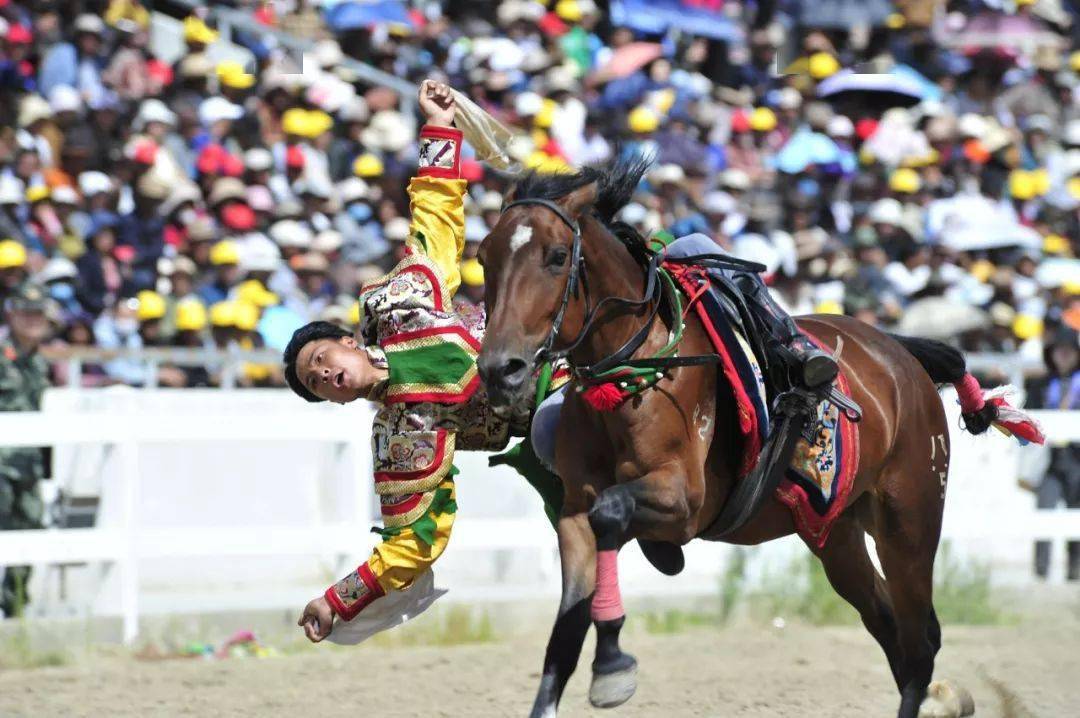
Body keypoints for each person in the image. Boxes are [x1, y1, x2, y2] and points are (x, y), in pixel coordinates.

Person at [285, 81, 550, 641]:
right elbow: (412, 544)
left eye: (321, 358)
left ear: (348, 341)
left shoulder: (397, 300)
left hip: (564, 327)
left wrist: (438, 126)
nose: (325, 374)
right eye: (318, 383)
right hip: (556, 417)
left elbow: (436, 214)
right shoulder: (399, 441)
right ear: (333, 399)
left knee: (672, 260)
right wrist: (338, 601)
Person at [0, 283, 51, 617]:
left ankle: (15, 609)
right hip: (1, 463)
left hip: (29, 464)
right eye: (26, 313)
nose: (33, 320)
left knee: (30, 531)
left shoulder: (38, 361)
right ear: (11, 314)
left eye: (38, 314)